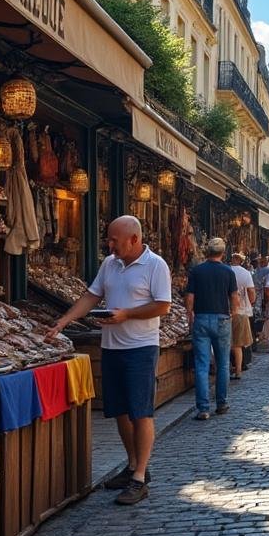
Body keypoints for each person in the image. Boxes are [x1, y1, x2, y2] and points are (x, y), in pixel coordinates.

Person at [48, 216, 170, 505]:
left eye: (114, 240)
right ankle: (131, 465)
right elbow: (92, 296)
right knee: (119, 411)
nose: (109, 244)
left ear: (134, 240)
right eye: (109, 238)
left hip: (141, 347)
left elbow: (163, 306)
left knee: (141, 411)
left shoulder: (156, 265)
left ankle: (140, 477)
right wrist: (64, 321)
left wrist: (126, 314)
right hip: (112, 347)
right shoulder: (109, 264)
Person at [184, 238, 236, 421]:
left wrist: (190, 314)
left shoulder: (197, 271)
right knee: (222, 364)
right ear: (223, 252)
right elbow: (234, 297)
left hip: (202, 318)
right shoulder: (228, 272)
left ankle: (203, 408)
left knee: (202, 364)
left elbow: (190, 296)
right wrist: (233, 314)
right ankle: (221, 403)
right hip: (222, 318)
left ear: (207, 252)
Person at [227, 253, 255, 380]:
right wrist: (251, 302)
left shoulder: (226, 271)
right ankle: (238, 370)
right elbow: (251, 292)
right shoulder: (245, 273)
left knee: (225, 343)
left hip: (225, 311)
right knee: (238, 344)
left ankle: (226, 369)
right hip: (241, 311)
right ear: (241, 261)